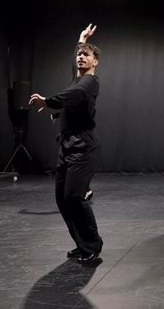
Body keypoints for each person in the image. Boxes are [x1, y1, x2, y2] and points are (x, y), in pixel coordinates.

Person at [29, 24, 103, 266]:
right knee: (62, 198)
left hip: (83, 147)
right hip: (67, 147)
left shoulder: (90, 82)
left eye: (86, 55)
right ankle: (81, 244)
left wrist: (50, 102)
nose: (81, 57)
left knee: (74, 197)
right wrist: (81, 39)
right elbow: (74, 80)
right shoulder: (76, 80)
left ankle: (92, 245)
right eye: (79, 55)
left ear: (95, 62)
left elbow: (75, 93)